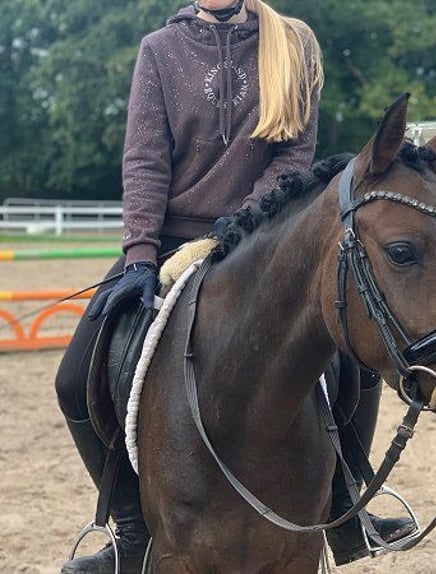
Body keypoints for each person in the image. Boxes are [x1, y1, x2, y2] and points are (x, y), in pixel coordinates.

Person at [54, 2, 413, 572]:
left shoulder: (291, 46)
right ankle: (130, 530)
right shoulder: (159, 51)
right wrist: (141, 255)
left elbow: (295, 156)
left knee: (351, 353)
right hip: (171, 241)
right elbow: (144, 160)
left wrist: (240, 226)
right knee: (74, 377)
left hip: (264, 239)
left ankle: (347, 511)